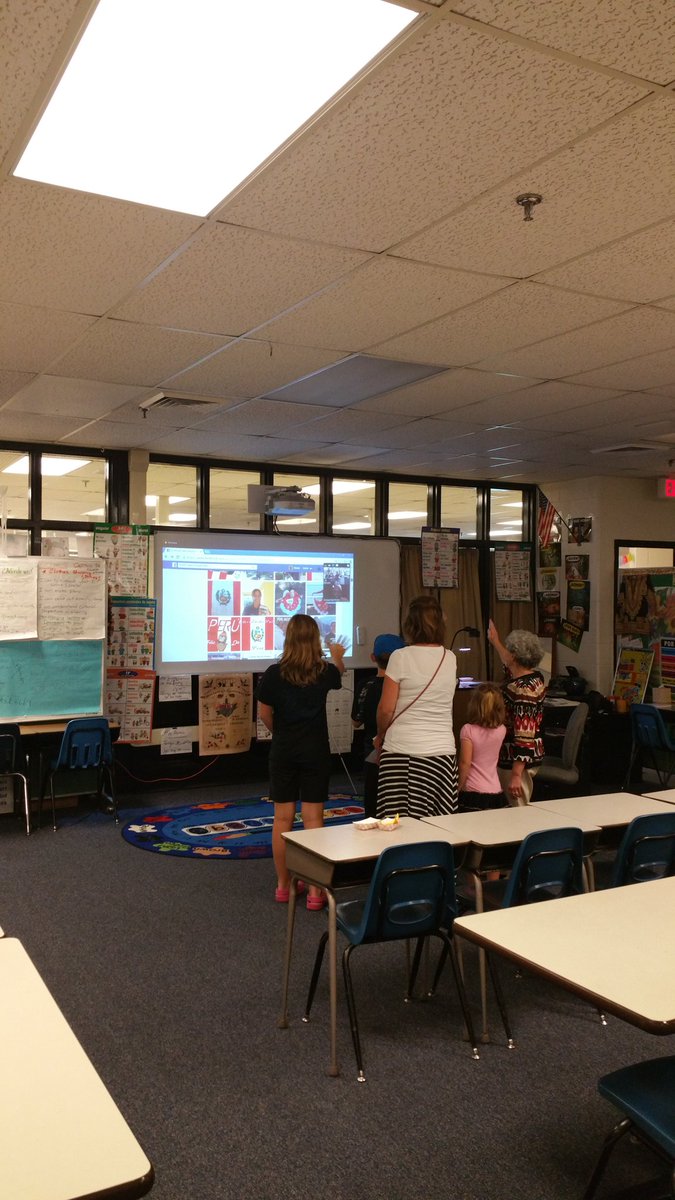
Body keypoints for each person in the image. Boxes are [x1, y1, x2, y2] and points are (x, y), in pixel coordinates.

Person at [255, 613, 346, 909]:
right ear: (315, 640)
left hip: (283, 752)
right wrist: (337, 656)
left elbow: (265, 713)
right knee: (314, 820)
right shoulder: (324, 671)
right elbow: (339, 675)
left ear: (288, 638)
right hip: (315, 752)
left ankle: (284, 885)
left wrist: (280, 733)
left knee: (282, 820)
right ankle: (316, 892)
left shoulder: (273, 672)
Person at [374, 595, 458, 819]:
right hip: (442, 755)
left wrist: (380, 735)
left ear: (410, 624)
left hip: (402, 752)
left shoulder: (400, 657)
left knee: (397, 827)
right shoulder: (449, 658)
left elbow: (385, 709)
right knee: (439, 826)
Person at [487, 620, 547, 804]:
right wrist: (495, 641)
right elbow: (507, 659)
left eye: (509, 651)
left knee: (519, 811)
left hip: (518, 761)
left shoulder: (523, 689)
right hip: (518, 758)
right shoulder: (534, 677)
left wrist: (516, 774)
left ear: (514, 656)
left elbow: (524, 732)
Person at [351, 632, 405, 817]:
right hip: (400, 750)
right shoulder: (404, 686)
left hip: (372, 752)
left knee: (372, 799)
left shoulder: (365, 685)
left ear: (373, 657)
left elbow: (355, 722)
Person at [457, 683, 507, 811]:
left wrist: (458, 788)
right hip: (495, 789)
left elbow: (465, 763)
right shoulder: (502, 730)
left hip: (473, 790)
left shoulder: (468, 730)